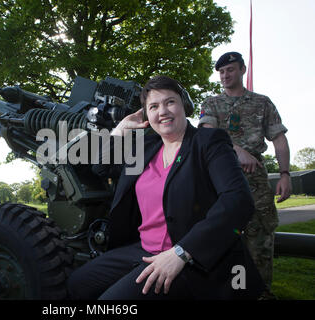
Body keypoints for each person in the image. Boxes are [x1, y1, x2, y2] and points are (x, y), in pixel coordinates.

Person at [67, 75, 264, 300]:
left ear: (183, 106)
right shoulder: (145, 148)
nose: (163, 111)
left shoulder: (209, 141)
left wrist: (182, 252)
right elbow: (101, 167)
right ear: (146, 115)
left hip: (190, 255)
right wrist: (120, 129)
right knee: (78, 284)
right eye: (153, 106)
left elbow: (238, 200)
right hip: (144, 250)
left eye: (170, 102)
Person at [198, 51, 291, 299]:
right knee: (222, 237)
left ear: (242, 70)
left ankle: (260, 293)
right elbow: (207, 134)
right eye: (221, 72)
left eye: (230, 70)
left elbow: (279, 139)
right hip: (219, 180)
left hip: (256, 182)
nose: (225, 75)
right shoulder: (211, 104)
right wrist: (237, 151)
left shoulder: (262, 103)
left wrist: (284, 174)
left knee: (260, 238)